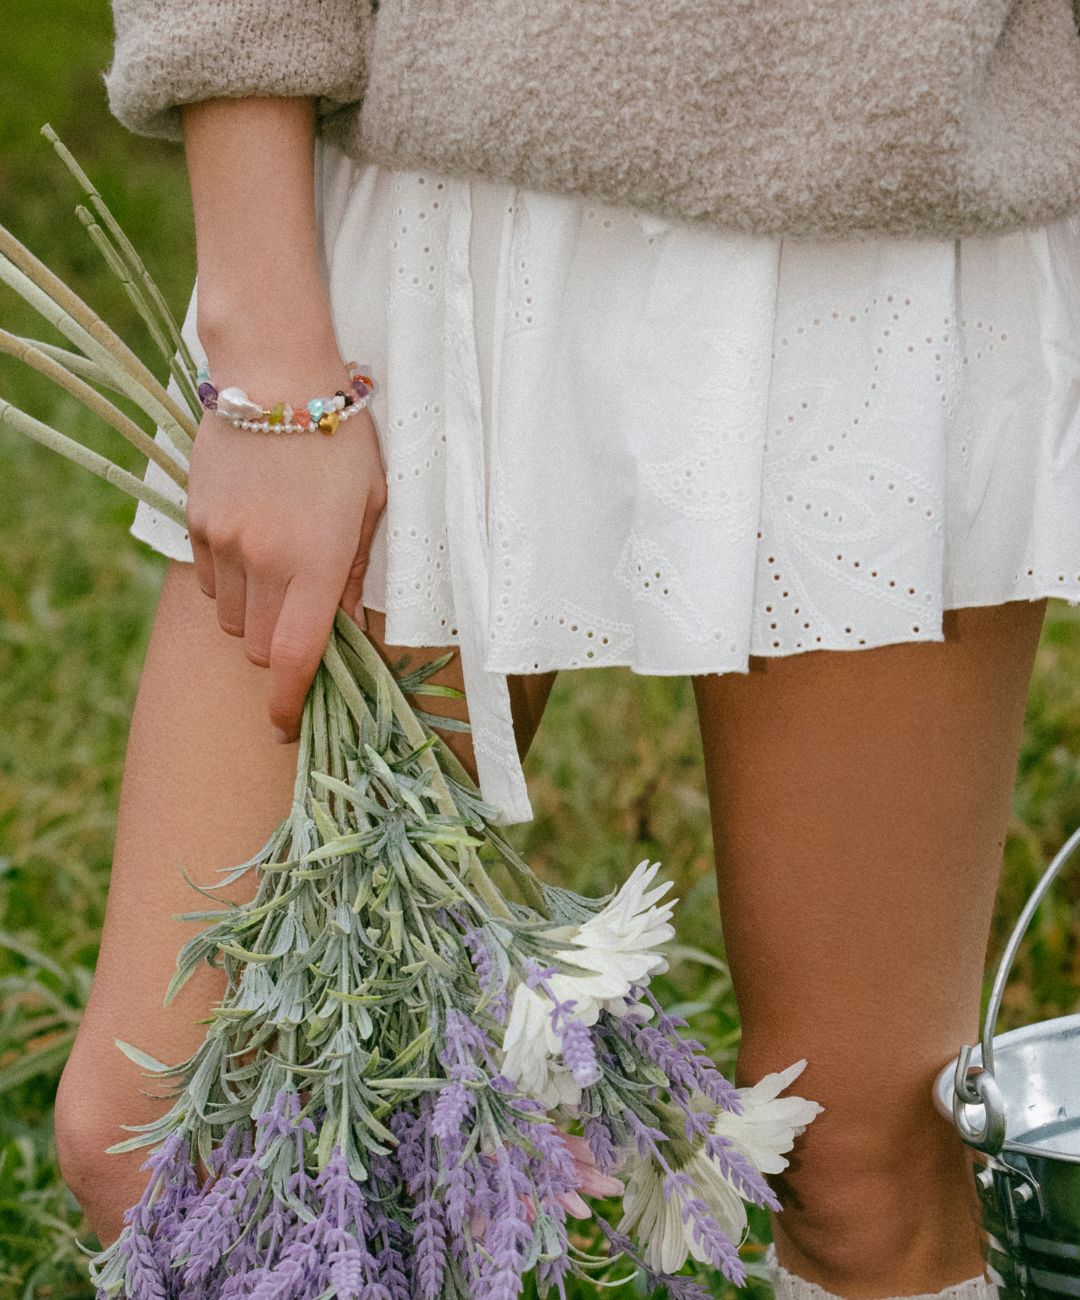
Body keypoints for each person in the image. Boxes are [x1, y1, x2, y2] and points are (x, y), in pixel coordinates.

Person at [50, 2, 1080, 1296]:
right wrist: (271, 370)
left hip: (884, 198)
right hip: (443, 183)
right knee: (168, 1142)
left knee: (867, 1165)